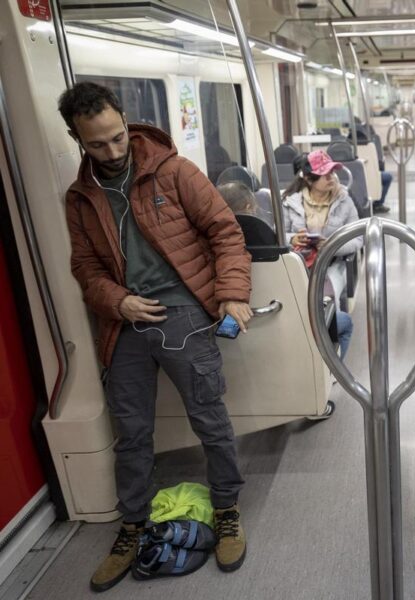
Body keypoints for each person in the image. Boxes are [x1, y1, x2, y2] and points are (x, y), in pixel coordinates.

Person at [58, 82, 251, 591]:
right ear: (77, 139)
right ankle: (133, 523)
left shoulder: (175, 171)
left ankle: (226, 507)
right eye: (97, 145)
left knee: (210, 418)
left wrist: (232, 293)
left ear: (125, 120)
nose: (113, 151)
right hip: (125, 320)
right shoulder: (81, 198)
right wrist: (115, 301)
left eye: (118, 137)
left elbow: (225, 233)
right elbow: (85, 266)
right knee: (131, 433)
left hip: (184, 312)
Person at [282, 150, 362, 358]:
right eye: (325, 174)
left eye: (333, 172)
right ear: (308, 179)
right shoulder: (291, 202)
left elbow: (358, 238)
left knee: (324, 307)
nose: (332, 178)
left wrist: (332, 245)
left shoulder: (344, 200)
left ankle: (326, 357)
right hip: (298, 262)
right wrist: (292, 239)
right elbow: (277, 235)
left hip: (331, 263)